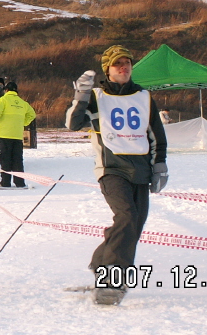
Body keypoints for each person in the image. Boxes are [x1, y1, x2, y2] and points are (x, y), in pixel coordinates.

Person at [65, 45, 169, 306]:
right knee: (126, 216)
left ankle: (101, 262)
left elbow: (156, 135)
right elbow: (72, 123)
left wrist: (160, 166)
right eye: (117, 64)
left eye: (127, 62)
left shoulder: (144, 97)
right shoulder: (97, 96)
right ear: (108, 70)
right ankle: (112, 280)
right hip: (112, 168)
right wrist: (81, 95)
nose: (123, 67)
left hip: (141, 170)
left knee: (134, 226)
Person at [0, 82, 36, 189]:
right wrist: (24, 122)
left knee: (6, 159)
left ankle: (5, 182)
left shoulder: (2, 100)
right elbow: (32, 114)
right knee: (17, 160)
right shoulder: (22, 103)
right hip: (17, 135)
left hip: (5, 134)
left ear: (6, 90)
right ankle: (20, 183)